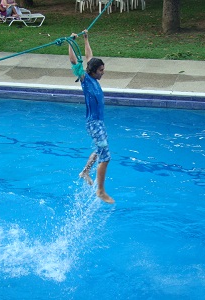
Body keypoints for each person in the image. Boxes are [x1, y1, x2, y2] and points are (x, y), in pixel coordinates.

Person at [68, 30, 115, 204]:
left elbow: (89, 56)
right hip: (94, 123)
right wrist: (70, 43)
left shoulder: (94, 78)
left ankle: (85, 172)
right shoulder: (86, 80)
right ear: (94, 71)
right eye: (101, 70)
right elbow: (74, 61)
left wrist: (86, 38)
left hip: (99, 123)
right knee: (106, 155)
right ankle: (100, 191)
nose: (103, 73)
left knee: (100, 149)